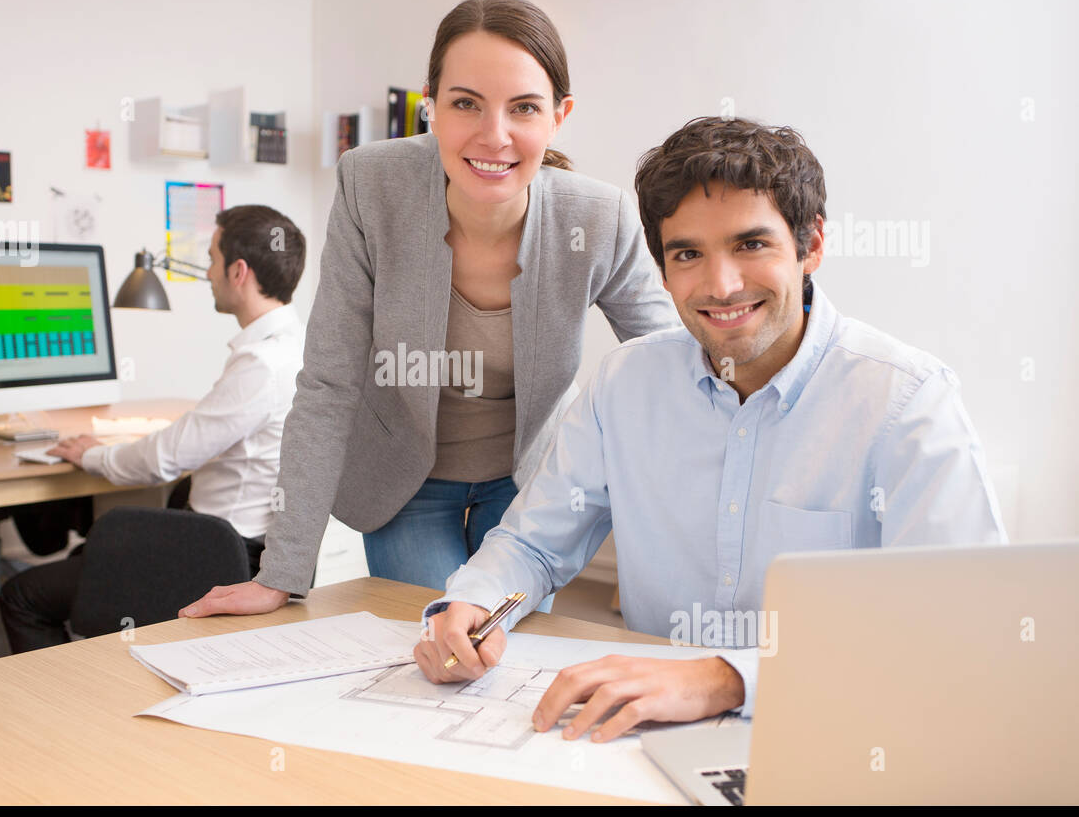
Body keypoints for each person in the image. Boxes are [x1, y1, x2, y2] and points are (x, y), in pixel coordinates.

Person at [413, 116, 1006, 740]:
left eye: (751, 245)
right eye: (688, 254)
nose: (721, 286)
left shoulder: (907, 401)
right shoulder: (623, 385)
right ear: (663, 271)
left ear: (812, 246)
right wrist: (475, 602)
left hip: (844, 732)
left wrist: (727, 678)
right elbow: (535, 543)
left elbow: (957, 631)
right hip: (647, 737)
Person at [178, 0, 677, 620]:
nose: (493, 136)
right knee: (430, 637)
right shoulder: (371, 184)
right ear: (431, 107)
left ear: (558, 115)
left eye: (523, 107)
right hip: (404, 478)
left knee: (495, 646)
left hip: (527, 481)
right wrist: (281, 571)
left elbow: (668, 362)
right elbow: (329, 382)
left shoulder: (596, 217)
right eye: (465, 102)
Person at [0, 205, 305, 652]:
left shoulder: (260, 365)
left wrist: (91, 454)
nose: (207, 272)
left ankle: (61, 705)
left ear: (238, 272)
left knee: (22, 596)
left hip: (219, 554)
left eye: (212, 258)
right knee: (89, 551)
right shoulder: (294, 345)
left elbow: (165, 460)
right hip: (251, 544)